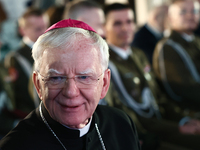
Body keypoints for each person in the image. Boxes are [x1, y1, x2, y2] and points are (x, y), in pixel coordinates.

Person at [0, 19, 141, 150]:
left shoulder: (121, 125)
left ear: (104, 83)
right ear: (38, 85)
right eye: (56, 78)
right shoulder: (14, 146)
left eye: (84, 77)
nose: (71, 92)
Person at [104, 3, 200, 150]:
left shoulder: (138, 55)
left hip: (163, 125)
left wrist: (183, 120)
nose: (125, 28)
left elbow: (158, 98)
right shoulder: (105, 63)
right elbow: (127, 113)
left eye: (129, 22)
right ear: (104, 28)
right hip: (145, 135)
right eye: (117, 23)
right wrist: (177, 128)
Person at [0, 7, 49, 135]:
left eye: (45, 27)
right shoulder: (14, 58)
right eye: (38, 29)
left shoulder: (52, 51)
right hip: (31, 119)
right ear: (22, 30)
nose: (44, 32)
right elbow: (14, 96)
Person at [153, 0, 200, 112]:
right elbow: (180, 90)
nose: (190, 15)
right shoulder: (167, 47)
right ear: (170, 17)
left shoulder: (196, 41)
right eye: (183, 12)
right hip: (188, 112)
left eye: (194, 11)